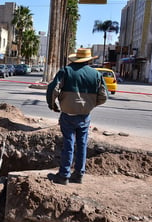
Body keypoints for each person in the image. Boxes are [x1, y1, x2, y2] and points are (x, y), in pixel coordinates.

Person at [46, 48, 108, 185]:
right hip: (84, 116)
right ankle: (79, 174)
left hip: (68, 115)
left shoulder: (66, 71)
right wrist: (90, 105)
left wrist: (53, 105)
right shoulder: (96, 74)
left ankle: (64, 175)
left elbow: (52, 89)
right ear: (89, 60)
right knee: (82, 144)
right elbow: (104, 96)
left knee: (68, 144)